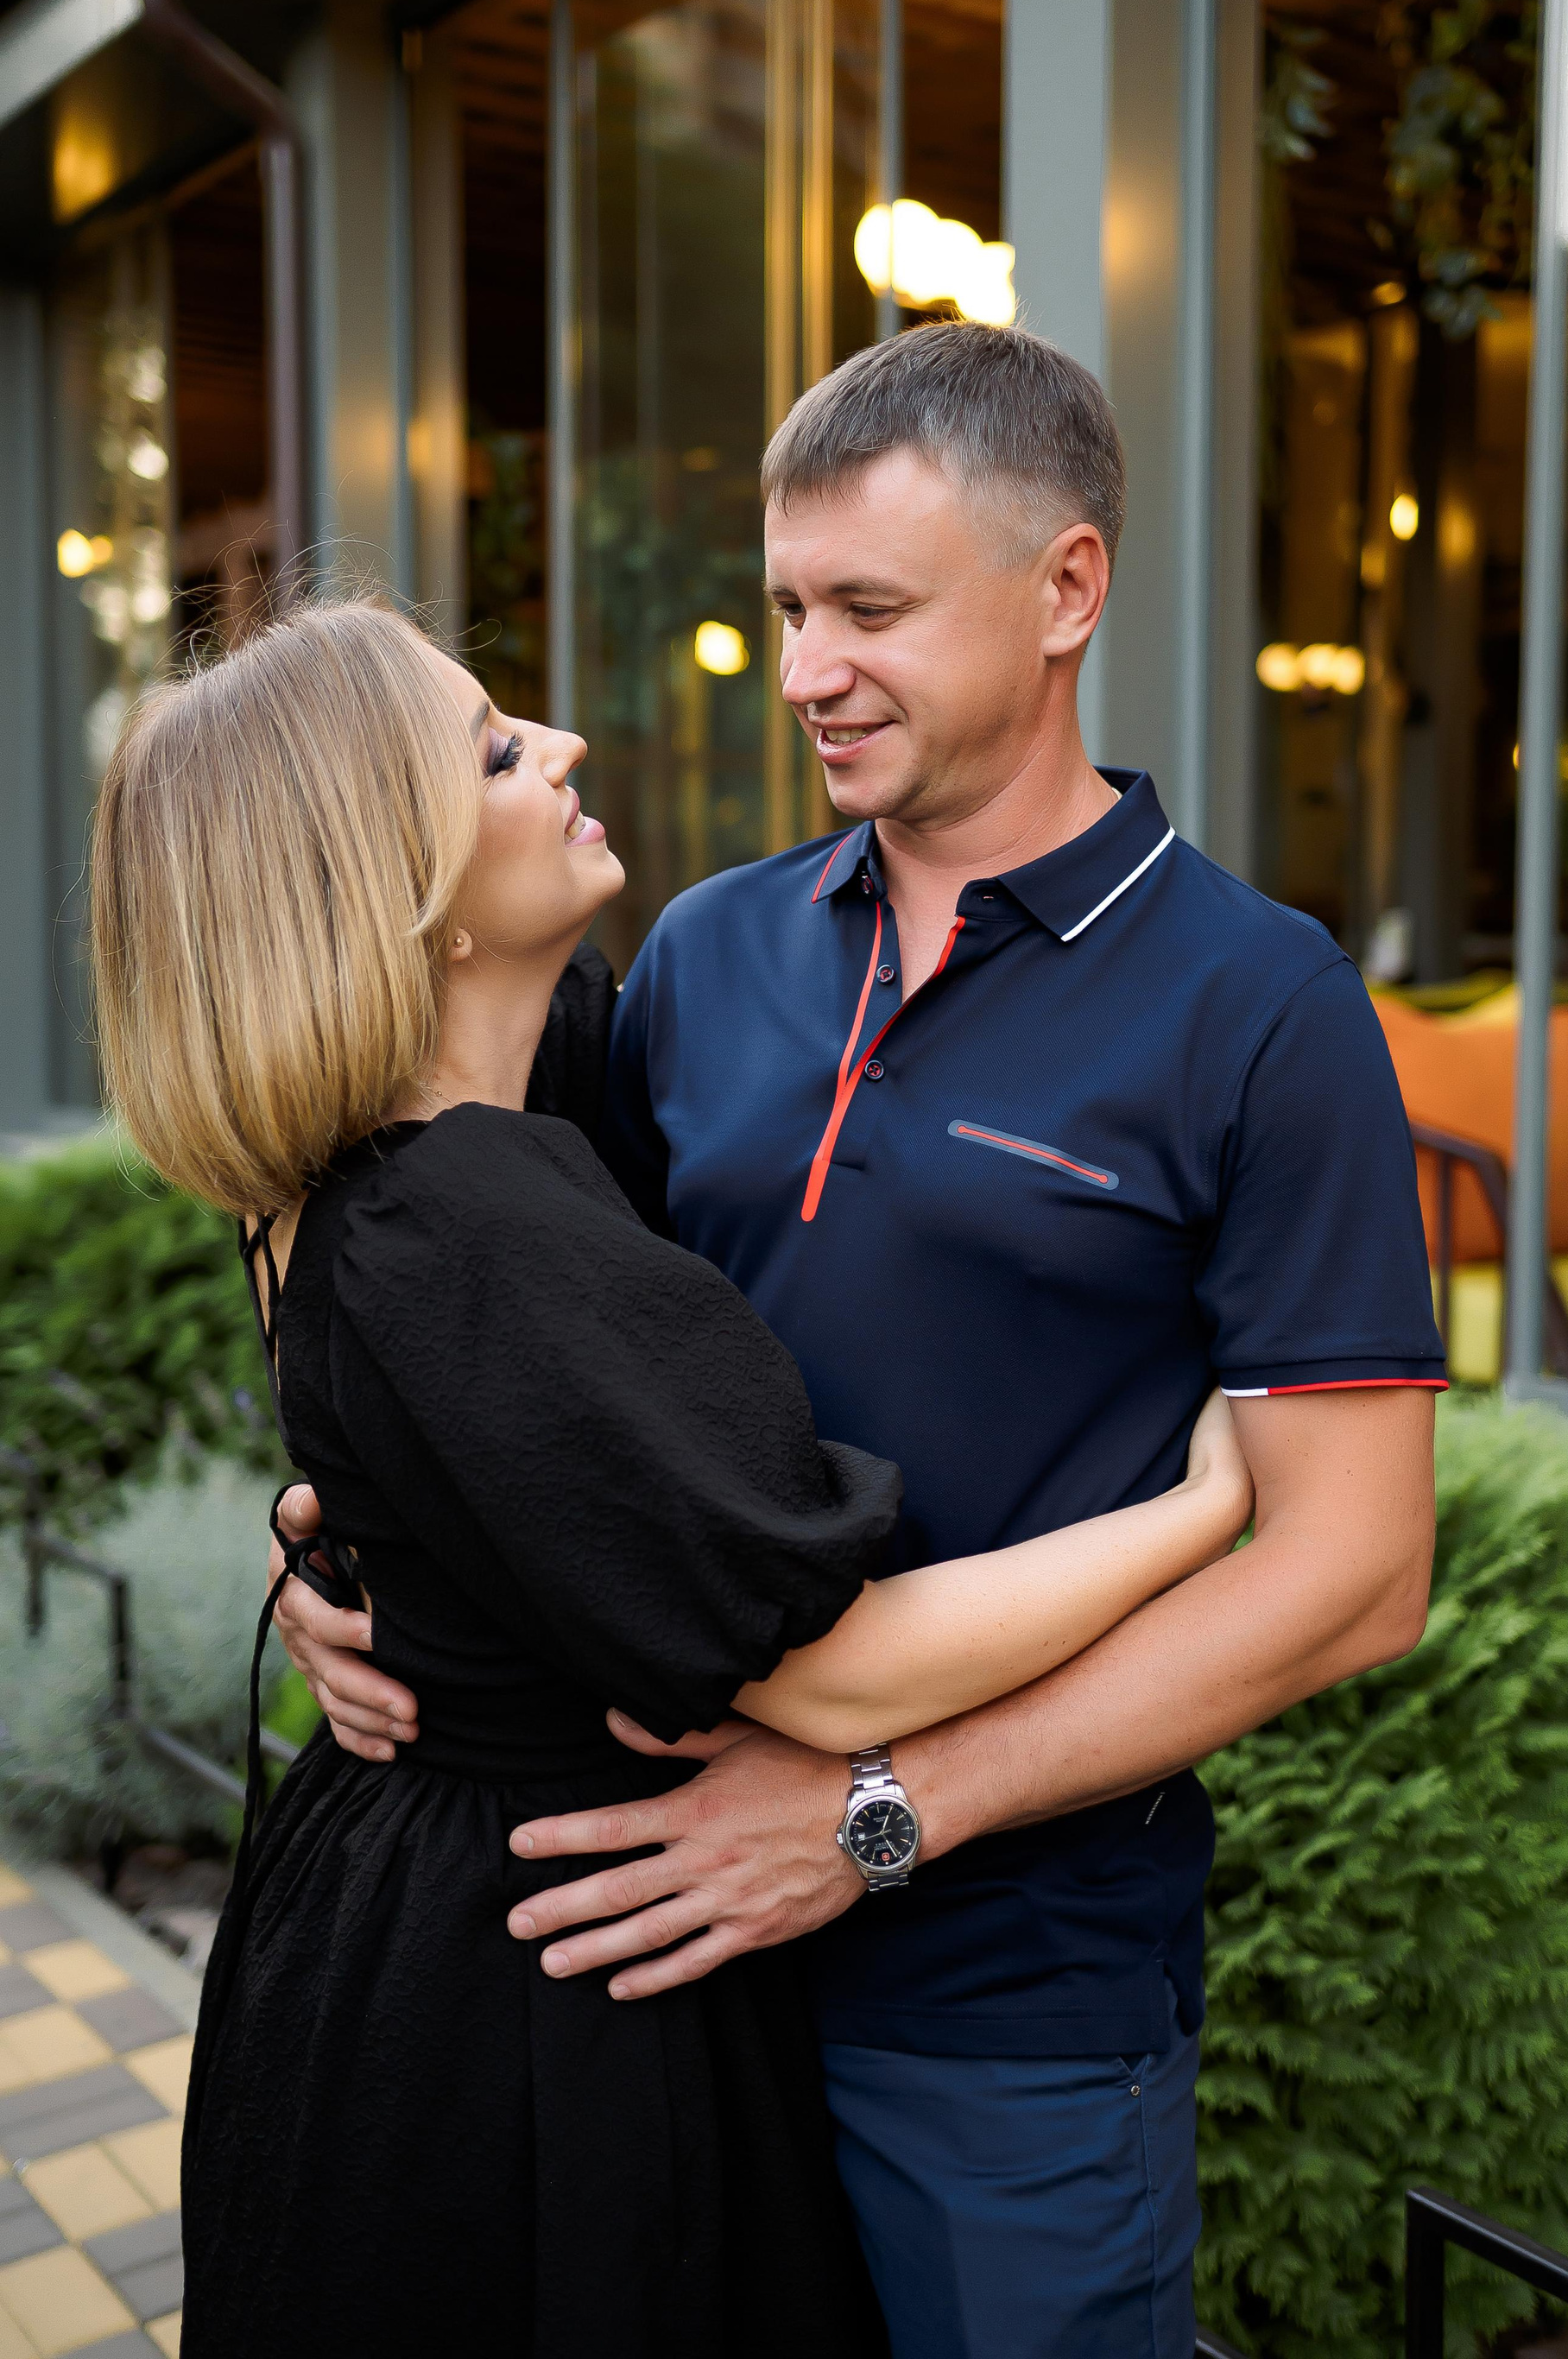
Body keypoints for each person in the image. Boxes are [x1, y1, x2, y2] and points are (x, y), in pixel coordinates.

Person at [284, 321, 1446, 2357]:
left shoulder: (1263, 1009)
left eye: (871, 611)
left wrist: (875, 1813)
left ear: (1066, 590)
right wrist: (345, 1567)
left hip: (1009, 2014)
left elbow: (1354, 1573)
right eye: (789, 609)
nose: (807, 669)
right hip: (671, 1974)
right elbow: (486, 1338)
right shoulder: (702, 953)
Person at [88, 597, 1256, 2358]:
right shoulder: (471, 1222)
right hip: (540, 1993)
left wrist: (332, 1540)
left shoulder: (419, 1152)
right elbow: (837, 1671)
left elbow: (433, 1443)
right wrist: (1198, 1509)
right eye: (496, 750)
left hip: (421, 1931)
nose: (562, 744)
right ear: (394, 883)